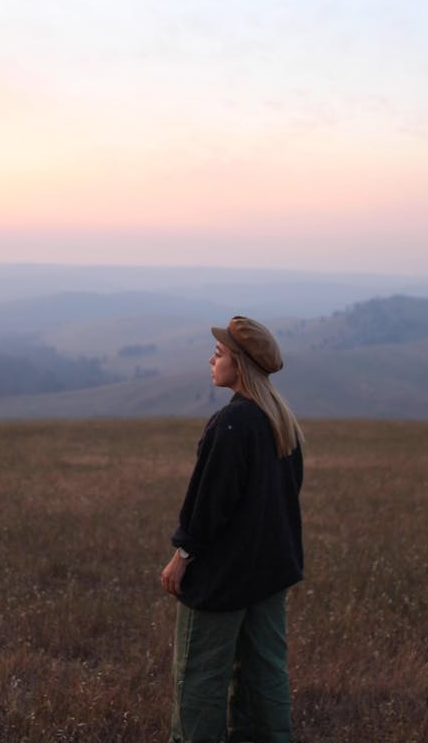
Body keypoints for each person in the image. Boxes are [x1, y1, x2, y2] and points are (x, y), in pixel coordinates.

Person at [161, 315, 304, 743]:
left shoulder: (231, 423)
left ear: (239, 364)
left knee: (200, 679)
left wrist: (180, 558)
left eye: (220, 353)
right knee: (265, 677)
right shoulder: (282, 422)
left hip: (223, 578)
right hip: (270, 574)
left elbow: (207, 508)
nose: (212, 359)